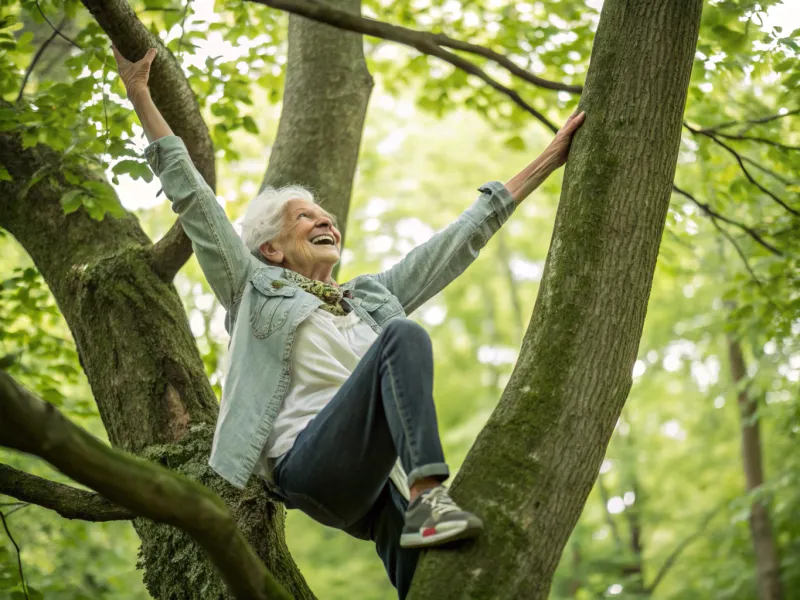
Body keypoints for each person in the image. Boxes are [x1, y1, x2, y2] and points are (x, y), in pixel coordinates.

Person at [115, 46, 584, 598]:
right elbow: (193, 197)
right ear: (271, 249)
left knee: (437, 581)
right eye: (304, 217)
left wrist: (550, 157)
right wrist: (140, 94)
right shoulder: (254, 288)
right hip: (306, 465)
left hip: (369, 487)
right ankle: (431, 494)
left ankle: (422, 517)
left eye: (326, 216)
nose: (324, 220)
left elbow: (457, 242)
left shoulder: (370, 298)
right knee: (402, 338)